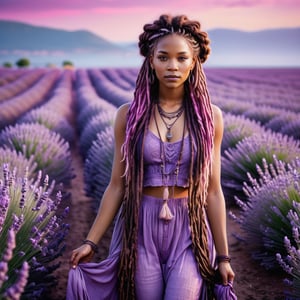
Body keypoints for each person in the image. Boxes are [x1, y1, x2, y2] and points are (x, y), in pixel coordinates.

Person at [67, 14, 236, 300]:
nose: (173, 65)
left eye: (182, 58)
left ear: (193, 62)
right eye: (163, 57)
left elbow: (213, 191)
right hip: (140, 227)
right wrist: (90, 243)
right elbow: (117, 186)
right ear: (151, 61)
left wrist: (223, 257)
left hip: (189, 228)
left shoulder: (211, 118)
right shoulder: (128, 115)